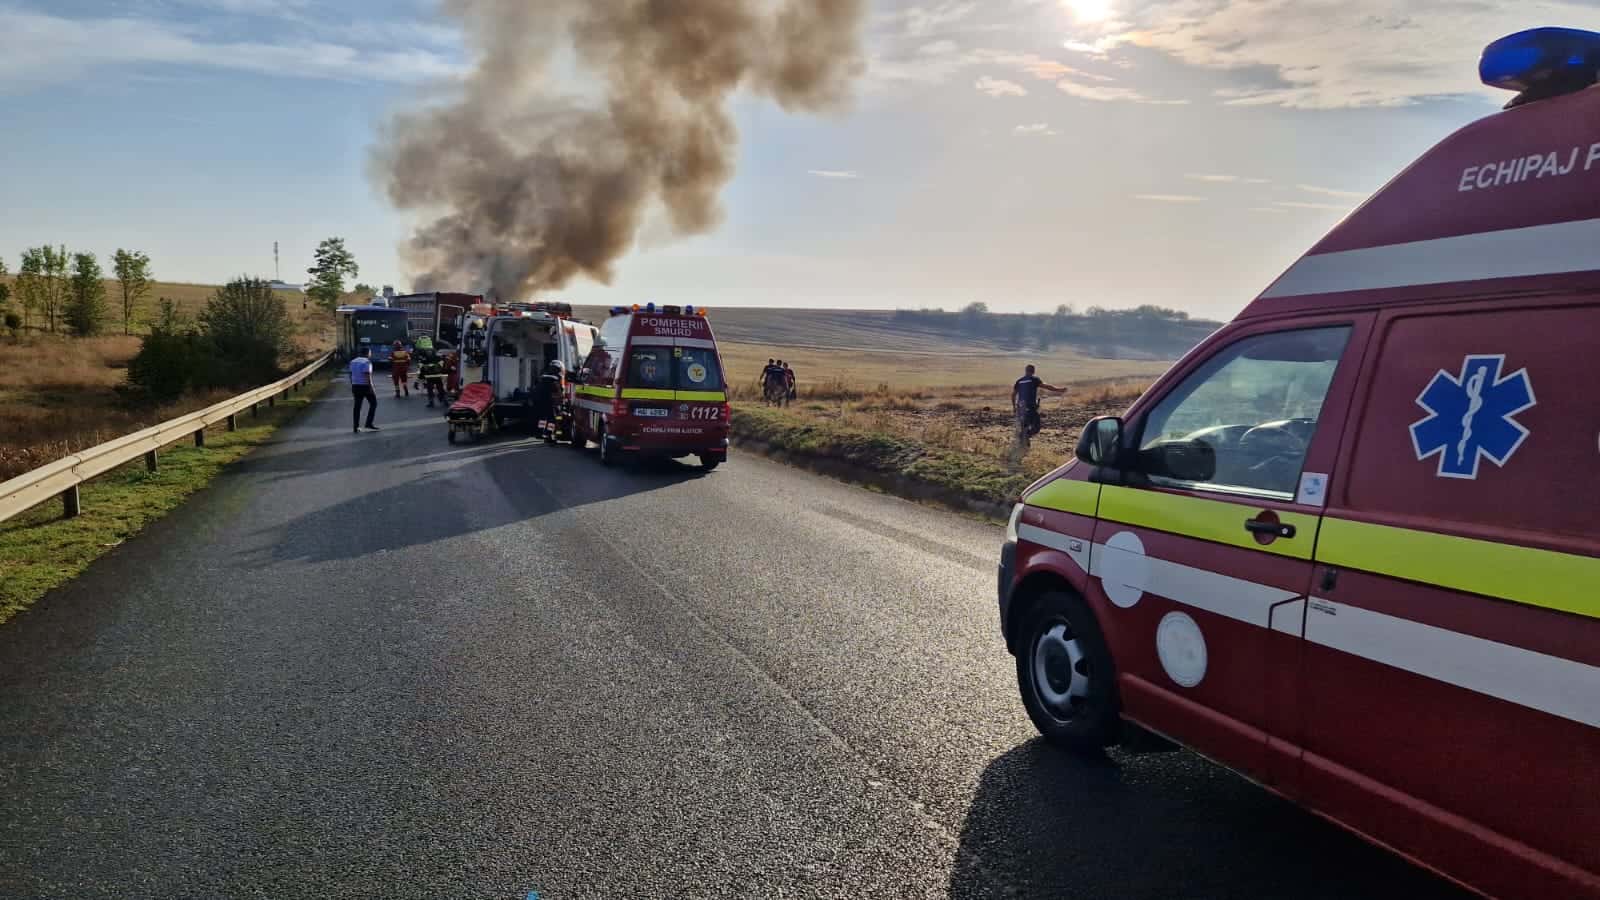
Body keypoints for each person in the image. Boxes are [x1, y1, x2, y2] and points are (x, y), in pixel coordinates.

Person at [1012, 364, 1067, 441]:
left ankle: (1023, 443)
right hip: (1030, 407)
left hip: (1021, 408)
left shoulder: (1019, 381)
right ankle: (1023, 437)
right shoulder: (1034, 379)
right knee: (1036, 428)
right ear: (1033, 371)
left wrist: (1014, 407)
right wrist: (1059, 390)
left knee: (1024, 427)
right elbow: (1047, 386)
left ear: (1026, 371)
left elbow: (1013, 395)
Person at [350, 348, 379, 433]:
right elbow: (367, 376)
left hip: (355, 386)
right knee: (373, 403)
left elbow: (351, 374)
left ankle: (356, 427)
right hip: (365, 386)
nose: (370, 354)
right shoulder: (367, 362)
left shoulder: (353, 361)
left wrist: (352, 384)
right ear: (367, 353)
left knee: (357, 407)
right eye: (370, 353)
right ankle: (368, 423)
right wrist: (372, 387)